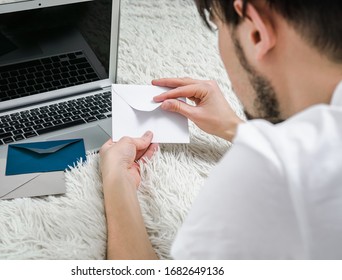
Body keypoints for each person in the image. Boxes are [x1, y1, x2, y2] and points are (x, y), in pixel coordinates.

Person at [99, 0, 342, 259]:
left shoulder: (269, 172)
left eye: (218, 27)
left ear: (256, 32)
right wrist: (234, 128)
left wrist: (117, 181)